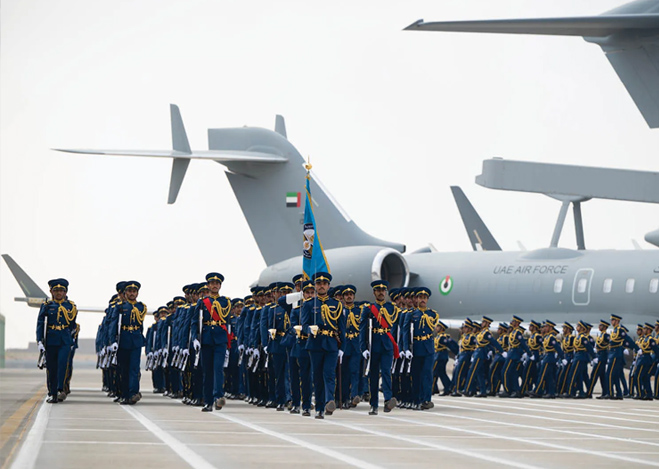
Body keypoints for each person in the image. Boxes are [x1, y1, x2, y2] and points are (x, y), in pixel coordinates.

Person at [301, 272, 345, 419]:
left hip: (331, 343)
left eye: (324, 284)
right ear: (315, 286)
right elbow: (304, 324)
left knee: (329, 374)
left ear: (328, 286)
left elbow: (341, 328)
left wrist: (342, 348)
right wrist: (310, 329)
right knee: (318, 377)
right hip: (315, 343)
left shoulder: (336, 304)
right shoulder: (309, 304)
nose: (321, 286)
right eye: (319, 284)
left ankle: (329, 401)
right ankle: (319, 408)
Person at [191, 273, 232, 411]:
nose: (215, 286)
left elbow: (228, 322)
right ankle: (208, 401)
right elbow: (195, 322)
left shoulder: (226, 302)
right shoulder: (202, 302)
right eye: (212, 283)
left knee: (218, 369)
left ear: (220, 286)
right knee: (207, 371)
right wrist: (195, 338)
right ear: (208, 285)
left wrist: (229, 342)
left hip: (220, 339)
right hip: (206, 339)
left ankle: (218, 397)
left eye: (217, 283)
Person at [359, 280, 400, 415]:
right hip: (374, 345)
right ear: (374, 292)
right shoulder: (368, 308)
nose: (381, 293)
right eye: (378, 291)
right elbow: (363, 329)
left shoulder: (392, 308)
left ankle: (388, 400)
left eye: (383, 291)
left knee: (387, 372)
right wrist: (363, 347)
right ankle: (374, 404)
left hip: (387, 345)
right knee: (374, 376)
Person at [36, 278, 78, 403]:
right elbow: (40, 324)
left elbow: (72, 325)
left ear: (65, 292)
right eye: (56, 290)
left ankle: (60, 389)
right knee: (51, 367)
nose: (59, 293)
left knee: (62, 365)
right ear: (51, 291)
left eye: (61, 290)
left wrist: (72, 339)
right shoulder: (47, 306)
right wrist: (39, 341)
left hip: (64, 339)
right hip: (51, 339)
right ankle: (52, 392)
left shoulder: (71, 306)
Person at [108, 281, 147, 405]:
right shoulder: (120, 307)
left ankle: (133, 393)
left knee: (134, 368)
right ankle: (124, 394)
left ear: (137, 293)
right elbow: (113, 325)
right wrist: (113, 341)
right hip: (123, 340)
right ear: (125, 293)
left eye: (134, 291)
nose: (132, 294)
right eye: (130, 291)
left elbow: (140, 325)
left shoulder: (141, 307)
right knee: (123, 369)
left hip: (135, 340)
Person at [401, 287, 439, 409]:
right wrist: (406, 348)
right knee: (416, 375)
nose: (423, 300)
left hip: (428, 347)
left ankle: (426, 400)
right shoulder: (411, 314)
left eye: (425, 298)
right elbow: (405, 332)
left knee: (427, 374)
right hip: (416, 347)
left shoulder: (433, 314)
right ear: (416, 299)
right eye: (420, 297)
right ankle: (416, 399)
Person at [340, 284, 363, 409]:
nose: (349, 297)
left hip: (355, 344)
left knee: (355, 371)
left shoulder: (359, 311)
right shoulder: (340, 311)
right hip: (344, 345)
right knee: (344, 374)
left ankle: (354, 395)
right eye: (346, 295)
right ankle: (344, 398)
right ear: (343, 297)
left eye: (351, 295)